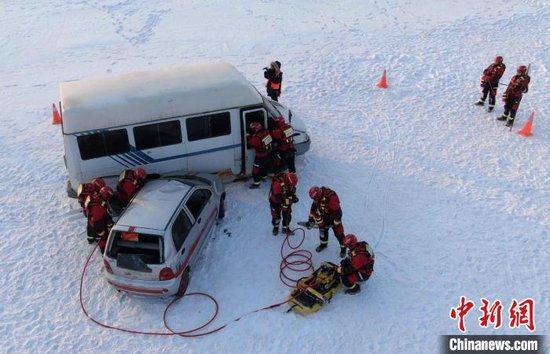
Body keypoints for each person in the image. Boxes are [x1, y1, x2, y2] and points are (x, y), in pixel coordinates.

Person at [305, 186, 347, 257]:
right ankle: (323, 244)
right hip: (324, 216)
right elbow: (313, 209)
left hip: (334, 218)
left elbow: (338, 212)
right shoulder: (317, 198)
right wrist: (311, 219)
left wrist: (335, 222)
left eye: (314, 198)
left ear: (318, 195)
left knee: (339, 233)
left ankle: (343, 249)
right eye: (313, 199)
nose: (314, 200)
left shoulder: (331, 198)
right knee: (322, 232)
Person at [247, 122, 273, 189]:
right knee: (264, 166)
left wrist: (248, 136)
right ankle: (263, 177)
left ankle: (256, 183)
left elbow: (250, 143)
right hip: (268, 154)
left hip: (260, 156)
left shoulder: (257, 137)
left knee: (255, 170)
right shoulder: (266, 132)